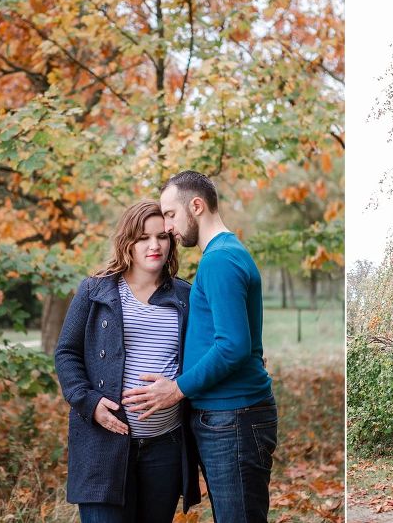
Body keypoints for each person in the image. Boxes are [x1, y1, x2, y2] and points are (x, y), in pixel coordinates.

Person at [121, 171, 277, 523]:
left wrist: (176, 390)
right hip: (227, 417)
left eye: (172, 215)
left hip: (233, 417)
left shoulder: (220, 260)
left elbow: (233, 347)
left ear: (197, 205)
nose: (169, 227)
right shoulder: (222, 256)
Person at [54, 200, 200, 522]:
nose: (154, 245)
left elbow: (200, 361)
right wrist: (89, 402)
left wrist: (177, 388)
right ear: (127, 243)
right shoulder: (95, 290)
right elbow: (66, 353)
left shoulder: (186, 297)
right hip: (104, 445)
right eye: (143, 237)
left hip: (165, 447)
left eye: (162, 236)